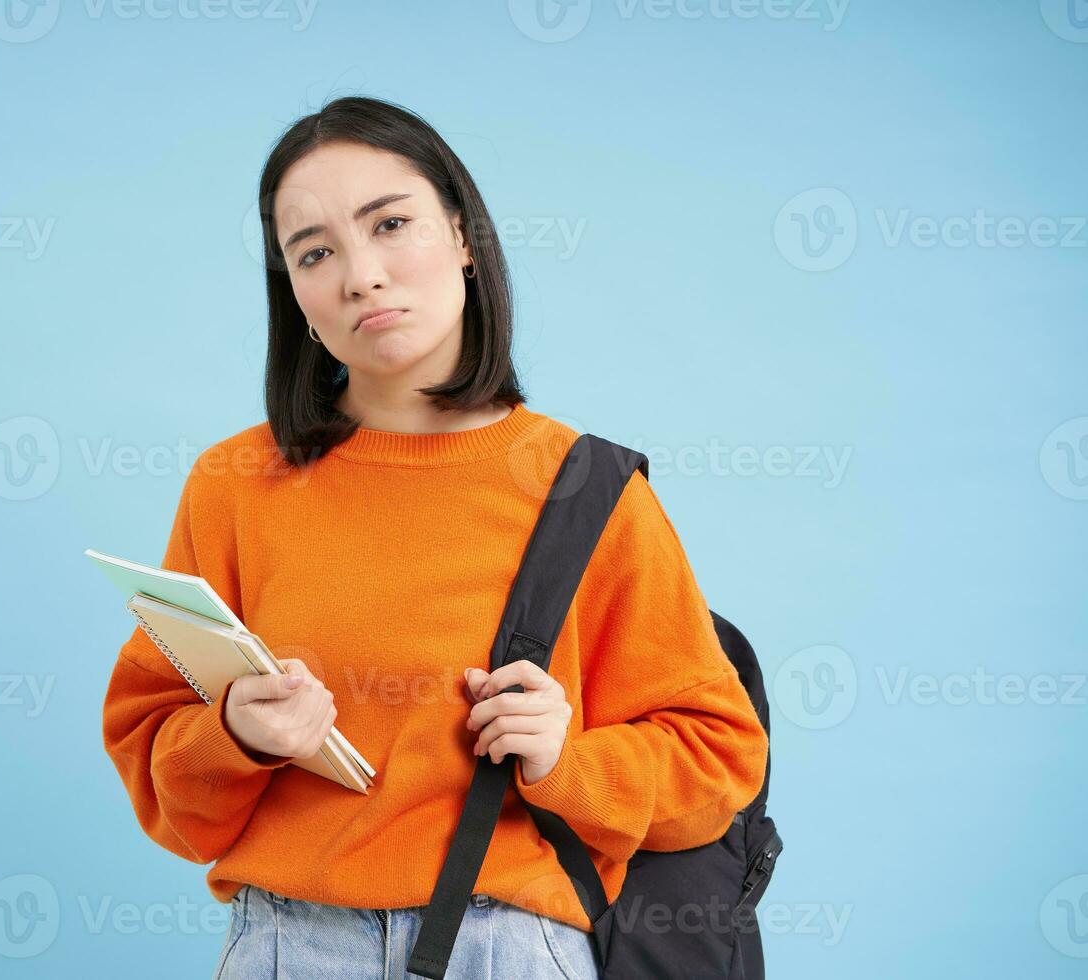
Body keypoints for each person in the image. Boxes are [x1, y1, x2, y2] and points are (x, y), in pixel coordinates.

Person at [102, 95, 769, 980]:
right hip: (285, 948)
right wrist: (237, 733)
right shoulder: (235, 485)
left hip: (514, 949)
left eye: (391, 224)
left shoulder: (585, 489)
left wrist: (567, 762)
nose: (362, 275)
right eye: (315, 252)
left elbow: (719, 758)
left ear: (463, 237)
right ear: (295, 295)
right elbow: (158, 768)